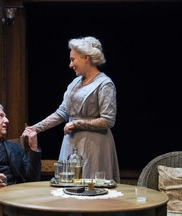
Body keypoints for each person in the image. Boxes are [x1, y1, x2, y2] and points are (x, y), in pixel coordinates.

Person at [24, 36, 120, 182]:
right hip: (72, 142)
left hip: (94, 145)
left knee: (92, 188)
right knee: (69, 186)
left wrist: (76, 123)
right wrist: (35, 128)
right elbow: (62, 112)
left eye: (73, 59)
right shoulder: (75, 83)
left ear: (86, 58)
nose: (70, 64)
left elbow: (108, 121)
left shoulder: (104, 84)